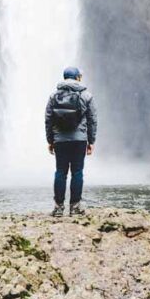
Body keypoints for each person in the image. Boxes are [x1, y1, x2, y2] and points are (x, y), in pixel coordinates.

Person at [45, 66, 97, 217]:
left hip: (60, 141)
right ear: (78, 78)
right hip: (79, 140)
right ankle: (75, 207)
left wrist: (50, 140)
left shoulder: (54, 96)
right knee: (77, 172)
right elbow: (93, 120)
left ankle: (58, 208)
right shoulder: (87, 96)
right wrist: (91, 141)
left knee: (60, 172)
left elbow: (48, 119)